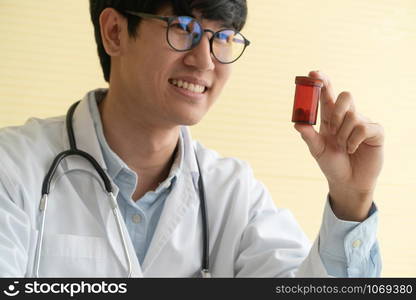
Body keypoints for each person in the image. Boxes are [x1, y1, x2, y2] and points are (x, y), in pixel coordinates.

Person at [0, 0, 384, 277]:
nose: (205, 61)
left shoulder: (235, 194)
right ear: (115, 31)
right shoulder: (13, 168)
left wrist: (351, 200)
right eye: (183, 27)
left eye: (224, 37)